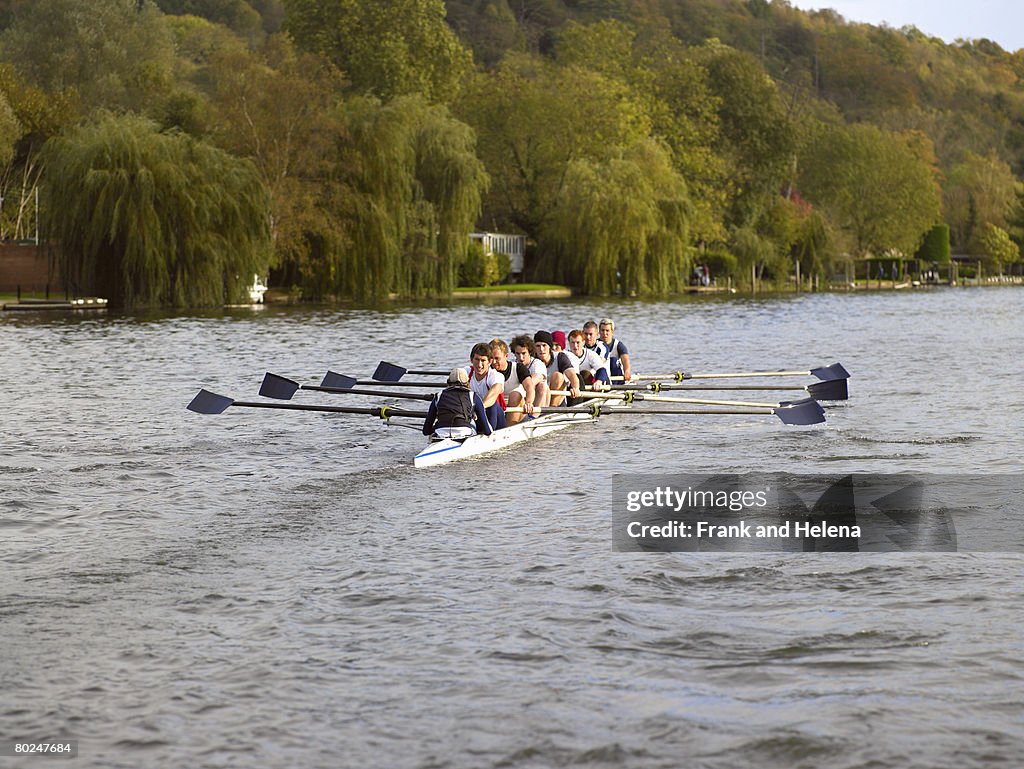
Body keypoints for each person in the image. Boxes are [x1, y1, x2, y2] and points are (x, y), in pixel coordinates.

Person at [422, 367, 493, 441]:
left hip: (441, 433)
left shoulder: (438, 396)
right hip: (463, 433)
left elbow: (426, 431)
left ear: (448, 382)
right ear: (468, 382)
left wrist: (436, 427)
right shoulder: (473, 396)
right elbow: (487, 431)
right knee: (472, 421)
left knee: (438, 425)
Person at [491, 336, 546, 424]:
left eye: (497, 358)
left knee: (515, 394)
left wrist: (529, 403)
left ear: (506, 356)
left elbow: (529, 387)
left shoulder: (519, 368)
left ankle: (509, 427)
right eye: (491, 358)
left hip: (516, 408)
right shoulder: (488, 370)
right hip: (497, 408)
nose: (493, 362)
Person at [534, 329, 580, 407]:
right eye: (538, 346)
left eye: (544, 345)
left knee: (558, 376)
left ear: (550, 347)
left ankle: (551, 409)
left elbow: (572, 374)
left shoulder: (560, 357)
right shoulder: (532, 360)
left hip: (557, 401)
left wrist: (576, 387)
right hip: (537, 400)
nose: (541, 349)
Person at [465, 342, 506, 429]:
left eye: (483, 360)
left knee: (492, 405)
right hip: (474, 416)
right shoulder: (467, 372)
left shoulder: (496, 376)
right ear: (471, 359)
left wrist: (476, 410)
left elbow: (493, 395)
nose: (479, 365)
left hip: (495, 418)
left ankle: (489, 433)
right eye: (477, 359)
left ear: (490, 361)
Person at [598, 317, 632, 382]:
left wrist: (627, 371)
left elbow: (625, 360)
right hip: (601, 378)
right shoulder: (596, 344)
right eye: (602, 330)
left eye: (607, 330)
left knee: (613, 361)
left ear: (612, 332)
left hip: (616, 378)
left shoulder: (619, 345)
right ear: (599, 331)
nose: (604, 333)